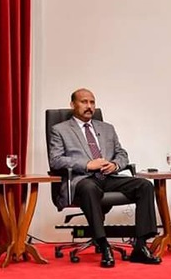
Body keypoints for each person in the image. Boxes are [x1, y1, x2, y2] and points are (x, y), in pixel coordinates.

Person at [48, 88, 161, 267]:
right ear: (72, 105)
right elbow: (56, 160)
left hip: (108, 176)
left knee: (145, 185)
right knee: (89, 187)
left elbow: (122, 153)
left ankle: (140, 246)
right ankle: (103, 244)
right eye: (84, 102)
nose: (89, 106)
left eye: (92, 102)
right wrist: (87, 164)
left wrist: (115, 165)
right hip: (82, 180)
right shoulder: (60, 130)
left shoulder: (107, 128)